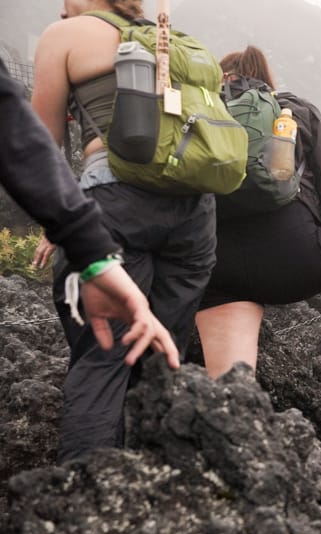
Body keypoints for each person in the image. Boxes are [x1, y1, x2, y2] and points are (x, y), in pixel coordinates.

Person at [31, 0, 217, 461]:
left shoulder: (65, 36)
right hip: (194, 214)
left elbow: (39, 144)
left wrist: (61, 222)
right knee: (160, 357)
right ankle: (155, 487)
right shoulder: (171, 39)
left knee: (105, 356)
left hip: (113, 203)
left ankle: (90, 497)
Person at [195, 46, 321, 399]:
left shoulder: (202, 114)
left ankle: (233, 430)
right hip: (296, 256)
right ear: (265, 81)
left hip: (219, 264)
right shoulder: (294, 109)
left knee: (231, 392)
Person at [1, 57, 179, 369]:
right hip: (186, 206)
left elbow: (26, 138)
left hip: (108, 193)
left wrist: (68, 229)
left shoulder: (67, 41)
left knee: (101, 362)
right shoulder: (164, 51)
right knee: (160, 352)